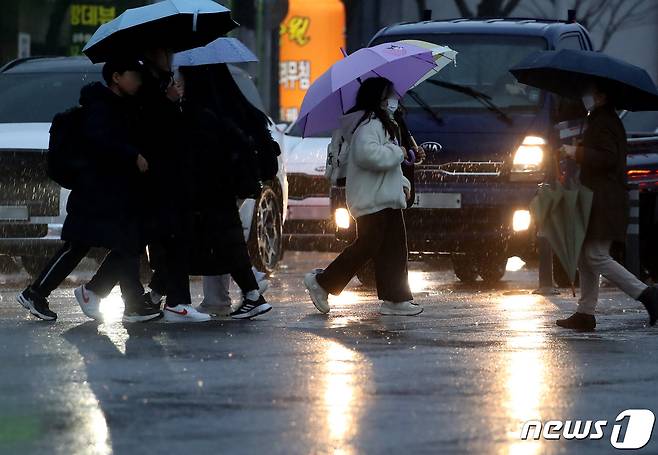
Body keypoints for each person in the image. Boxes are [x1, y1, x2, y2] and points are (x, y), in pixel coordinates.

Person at [16, 59, 162, 323]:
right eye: (134, 75)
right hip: (95, 193)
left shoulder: (119, 105)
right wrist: (132, 155)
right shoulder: (101, 107)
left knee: (120, 243)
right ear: (116, 77)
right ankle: (37, 292)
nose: (138, 82)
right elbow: (101, 141)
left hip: (109, 192)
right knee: (83, 245)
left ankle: (127, 302)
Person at [304, 77, 423, 316]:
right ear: (379, 97)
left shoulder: (383, 123)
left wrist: (402, 182)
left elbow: (388, 163)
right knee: (367, 246)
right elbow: (367, 155)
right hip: (371, 198)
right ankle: (323, 282)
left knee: (395, 248)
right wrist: (398, 151)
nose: (394, 99)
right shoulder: (368, 124)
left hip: (385, 196)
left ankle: (395, 299)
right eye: (390, 94)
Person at [556, 82, 658, 331]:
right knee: (585, 257)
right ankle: (585, 313)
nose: (587, 96)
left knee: (596, 256)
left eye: (592, 92)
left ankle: (647, 294)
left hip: (604, 199)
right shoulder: (599, 119)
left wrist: (576, 152)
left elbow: (608, 158)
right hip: (596, 198)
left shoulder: (605, 121)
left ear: (602, 96)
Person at [176, 64, 272, 319]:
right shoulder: (232, 101)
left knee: (217, 238)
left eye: (180, 78)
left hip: (220, 186)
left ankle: (235, 292)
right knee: (219, 237)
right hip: (234, 185)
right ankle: (231, 293)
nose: (177, 81)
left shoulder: (210, 110)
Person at [133, 48, 211, 323]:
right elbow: (150, 127)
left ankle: (164, 297)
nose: (170, 56)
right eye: (165, 52)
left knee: (176, 238)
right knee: (170, 238)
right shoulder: (147, 85)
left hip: (173, 174)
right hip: (159, 176)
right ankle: (175, 301)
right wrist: (168, 101)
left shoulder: (163, 81)